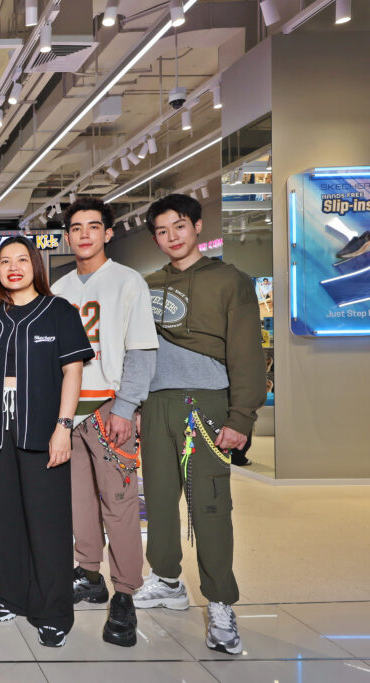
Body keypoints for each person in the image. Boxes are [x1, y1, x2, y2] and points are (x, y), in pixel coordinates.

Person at [135, 194, 264, 655]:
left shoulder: (231, 280)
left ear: (196, 226)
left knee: (209, 506)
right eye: (162, 230)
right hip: (155, 405)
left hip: (204, 405)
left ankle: (221, 602)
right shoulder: (147, 285)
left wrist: (241, 416)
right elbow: (138, 352)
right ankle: (167, 579)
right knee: (159, 501)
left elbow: (247, 353)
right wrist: (135, 404)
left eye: (179, 226)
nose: (172, 236)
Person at [50, 198, 158, 648]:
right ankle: (90, 574)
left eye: (93, 227)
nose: (84, 235)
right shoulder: (58, 288)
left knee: (120, 505)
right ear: (67, 236)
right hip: (69, 414)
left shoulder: (128, 281)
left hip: (109, 411)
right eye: (76, 228)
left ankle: (126, 593)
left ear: (108, 233)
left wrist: (126, 407)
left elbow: (142, 350)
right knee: (78, 505)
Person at [0, 235, 93, 648]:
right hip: (0, 434)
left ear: (35, 266)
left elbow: (73, 372)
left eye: (22, 260)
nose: (13, 268)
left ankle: (52, 611)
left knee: (48, 526)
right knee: (6, 521)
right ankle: (12, 594)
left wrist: (64, 427)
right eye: (5, 261)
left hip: (45, 433)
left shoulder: (59, 311)